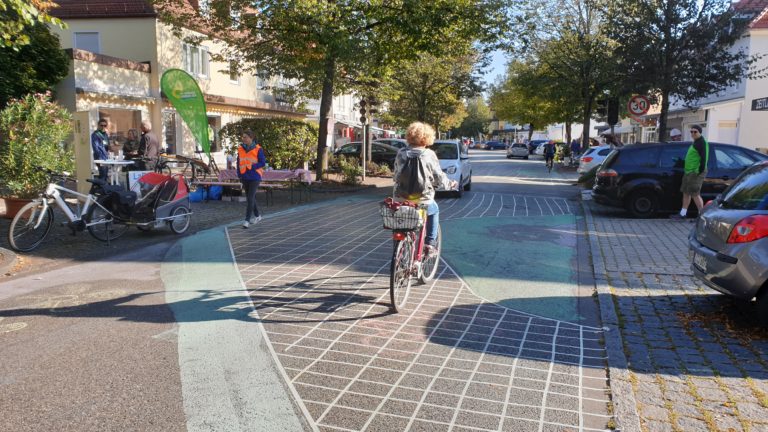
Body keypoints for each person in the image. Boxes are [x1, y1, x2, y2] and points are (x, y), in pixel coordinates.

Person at [393, 122, 457, 254]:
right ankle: (429, 244)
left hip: (401, 197)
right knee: (434, 210)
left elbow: (396, 175)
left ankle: (399, 249)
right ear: (426, 137)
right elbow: (438, 177)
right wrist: (450, 184)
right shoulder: (429, 154)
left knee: (401, 224)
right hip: (423, 199)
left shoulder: (401, 153)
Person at [671, 124, 709, 220]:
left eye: (695, 131)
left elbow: (704, 159)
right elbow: (693, 158)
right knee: (686, 192)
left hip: (695, 172)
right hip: (688, 172)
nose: (692, 133)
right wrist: (681, 162)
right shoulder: (696, 142)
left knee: (695, 194)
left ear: (700, 132)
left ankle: (701, 216)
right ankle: (683, 214)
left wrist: (698, 171)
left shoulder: (702, 143)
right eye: (691, 131)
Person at [237, 129, 267, 228]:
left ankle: (247, 220)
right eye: (243, 137)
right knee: (251, 198)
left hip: (255, 176)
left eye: (245, 137)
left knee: (250, 198)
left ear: (251, 138)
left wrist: (252, 166)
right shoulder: (240, 149)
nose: (243, 139)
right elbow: (239, 162)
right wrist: (239, 175)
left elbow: (262, 163)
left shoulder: (258, 149)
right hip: (244, 176)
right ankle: (258, 216)